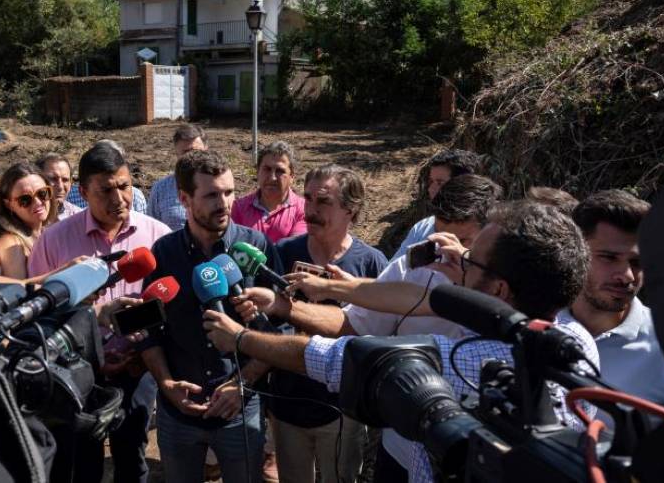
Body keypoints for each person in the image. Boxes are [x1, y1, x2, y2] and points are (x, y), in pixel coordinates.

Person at [205, 201, 599, 483]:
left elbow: (331, 358)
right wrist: (324, 288)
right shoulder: (576, 339)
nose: (459, 261)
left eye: (470, 260)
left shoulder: (462, 364)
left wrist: (240, 337)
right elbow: (405, 297)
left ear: (500, 289)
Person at [240, 174, 500, 481]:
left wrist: (467, 279)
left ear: (491, 239)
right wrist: (284, 306)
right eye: (440, 234)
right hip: (401, 448)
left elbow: (475, 321)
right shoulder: (413, 267)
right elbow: (354, 322)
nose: (447, 250)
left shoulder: (507, 285)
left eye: (465, 241)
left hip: (470, 457)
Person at [29, 143, 171, 483]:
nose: (118, 198)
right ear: (83, 192)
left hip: (139, 369)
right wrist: (95, 316)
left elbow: (170, 306)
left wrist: (144, 349)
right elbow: (40, 312)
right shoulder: (54, 240)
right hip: (76, 371)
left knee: (132, 457)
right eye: (105, 190)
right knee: (81, 463)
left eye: (123, 186)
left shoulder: (159, 236)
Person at [140, 149, 282, 483]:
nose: (224, 203)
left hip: (241, 409)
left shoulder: (256, 248)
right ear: (184, 198)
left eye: (229, 192)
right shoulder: (164, 253)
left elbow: (281, 331)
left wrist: (242, 384)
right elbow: (149, 330)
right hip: (178, 413)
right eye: (212, 195)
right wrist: (166, 383)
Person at [267, 164, 387, 483]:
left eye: (323, 202)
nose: (310, 210)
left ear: (351, 209)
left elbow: (384, 331)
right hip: (289, 404)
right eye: (307, 199)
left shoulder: (371, 263)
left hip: (343, 411)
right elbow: (267, 325)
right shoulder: (281, 252)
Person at [559, 190, 664, 416]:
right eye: (609, 257)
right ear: (574, 253)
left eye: (637, 262)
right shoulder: (538, 324)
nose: (627, 275)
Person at [392, 149, 482, 260]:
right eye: (431, 181)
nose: (431, 189)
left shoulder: (490, 231)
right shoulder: (422, 228)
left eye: (440, 182)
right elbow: (392, 271)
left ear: (465, 184)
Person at [0, 162, 57, 280]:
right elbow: (17, 289)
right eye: (25, 199)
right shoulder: (11, 243)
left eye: (42, 193)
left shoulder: (47, 232)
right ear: (9, 205)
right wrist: (65, 272)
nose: (38, 203)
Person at [232, 141, 306, 244]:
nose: (272, 177)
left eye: (280, 171)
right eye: (267, 169)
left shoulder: (304, 210)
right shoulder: (238, 208)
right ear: (257, 172)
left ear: (292, 176)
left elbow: (294, 250)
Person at [148, 123, 208, 231]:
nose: (192, 158)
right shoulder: (160, 189)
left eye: (196, 152)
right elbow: (150, 229)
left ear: (206, 149)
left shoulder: (218, 186)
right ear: (176, 153)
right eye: (186, 153)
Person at [66, 140, 148, 214]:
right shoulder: (70, 194)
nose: (118, 199)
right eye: (106, 190)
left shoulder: (136, 196)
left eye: (118, 160)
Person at [36, 152, 83, 220]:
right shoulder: (26, 216)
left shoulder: (79, 218)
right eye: (53, 179)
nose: (60, 187)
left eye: (65, 180)